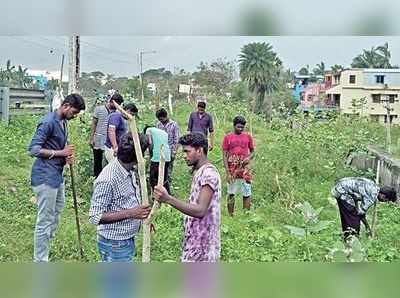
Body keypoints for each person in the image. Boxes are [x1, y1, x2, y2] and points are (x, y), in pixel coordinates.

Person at [28, 93, 86, 262]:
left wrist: (66, 157)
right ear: (65, 105)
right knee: (44, 220)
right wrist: (61, 153)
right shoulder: (48, 122)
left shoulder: (63, 122)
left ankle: (46, 243)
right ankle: (40, 260)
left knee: (58, 210)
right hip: (45, 177)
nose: (74, 116)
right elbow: (33, 150)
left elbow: (57, 148)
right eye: (74, 112)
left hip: (56, 176)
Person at [154, 133, 221, 262]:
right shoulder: (200, 172)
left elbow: (200, 210)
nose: (184, 156)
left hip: (203, 247)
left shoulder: (209, 174)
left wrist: (168, 199)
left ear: (200, 150)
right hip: (196, 243)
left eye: (187, 151)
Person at [89, 133, 151, 262]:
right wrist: (132, 213)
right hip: (115, 244)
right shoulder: (108, 179)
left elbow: (128, 200)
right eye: (144, 153)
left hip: (125, 240)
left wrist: (142, 217)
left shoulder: (128, 170)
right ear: (137, 156)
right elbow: (95, 217)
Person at [331, 177, 397, 239]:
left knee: (348, 215)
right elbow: (360, 213)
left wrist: (367, 227)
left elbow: (357, 199)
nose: (385, 202)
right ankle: (352, 239)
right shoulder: (372, 196)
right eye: (387, 200)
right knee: (354, 219)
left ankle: (346, 235)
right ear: (383, 196)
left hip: (341, 186)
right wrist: (367, 228)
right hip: (342, 191)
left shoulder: (374, 186)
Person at [222, 116, 255, 216]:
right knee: (231, 192)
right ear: (234, 125)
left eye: (242, 127)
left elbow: (253, 152)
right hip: (232, 170)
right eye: (238, 127)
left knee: (247, 192)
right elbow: (224, 155)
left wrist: (248, 158)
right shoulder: (228, 138)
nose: (240, 129)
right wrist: (227, 172)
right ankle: (231, 215)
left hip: (245, 170)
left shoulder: (248, 137)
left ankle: (246, 215)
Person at [104, 94, 138, 163]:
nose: (131, 117)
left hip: (118, 149)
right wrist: (115, 147)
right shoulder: (116, 116)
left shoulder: (122, 118)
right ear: (127, 111)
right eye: (132, 114)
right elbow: (111, 131)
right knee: (114, 169)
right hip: (112, 149)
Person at [89, 98, 115, 177]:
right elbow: (94, 124)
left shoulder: (116, 112)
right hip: (98, 138)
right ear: (110, 102)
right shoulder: (99, 109)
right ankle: (97, 178)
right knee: (97, 161)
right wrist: (91, 138)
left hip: (108, 141)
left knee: (108, 161)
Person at [156, 108, 180, 186]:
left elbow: (176, 139)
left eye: (161, 119)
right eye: (159, 119)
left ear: (166, 116)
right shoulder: (158, 124)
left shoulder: (174, 125)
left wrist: (174, 151)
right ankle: (161, 184)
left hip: (169, 150)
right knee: (161, 169)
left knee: (168, 169)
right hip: (160, 150)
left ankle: (168, 185)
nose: (161, 121)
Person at [144, 125, 172, 194]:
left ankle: (156, 195)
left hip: (157, 155)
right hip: (167, 156)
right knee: (164, 177)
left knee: (153, 178)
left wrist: (151, 155)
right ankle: (167, 195)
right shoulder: (163, 132)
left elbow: (150, 143)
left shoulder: (148, 130)